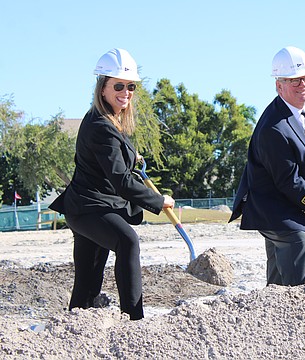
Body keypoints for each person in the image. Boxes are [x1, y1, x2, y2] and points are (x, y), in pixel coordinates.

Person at [49, 48, 175, 320]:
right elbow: (121, 181)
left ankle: (76, 327)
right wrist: (158, 200)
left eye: (130, 86)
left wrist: (131, 157)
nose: (126, 92)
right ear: (103, 87)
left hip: (89, 206)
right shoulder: (101, 126)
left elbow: (111, 164)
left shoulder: (107, 121)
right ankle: (134, 319)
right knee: (127, 241)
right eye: (119, 85)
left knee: (88, 281)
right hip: (89, 208)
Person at [229, 46, 305, 286]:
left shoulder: (303, 107)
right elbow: (289, 182)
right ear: (279, 85)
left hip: (283, 207)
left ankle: (272, 313)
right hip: (274, 209)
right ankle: (300, 311)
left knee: (278, 285)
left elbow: (304, 150)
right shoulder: (274, 128)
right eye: (295, 81)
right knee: (298, 262)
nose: (304, 84)